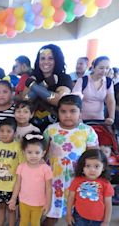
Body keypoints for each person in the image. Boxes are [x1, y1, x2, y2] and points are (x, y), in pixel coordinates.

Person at [43, 95, 99, 225]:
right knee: (52, 213)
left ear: (80, 112)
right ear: (58, 112)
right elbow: (42, 153)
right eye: (63, 111)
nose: (68, 115)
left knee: (76, 215)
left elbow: (94, 157)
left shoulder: (87, 131)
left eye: (73, 111)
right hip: (54, 179)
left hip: (77, 179)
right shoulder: (51, 130)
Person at [7, 132, 53, 226]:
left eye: (37, 152)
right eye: (29, 152)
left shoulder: (46, 169)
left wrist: (48, 203)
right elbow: (18, 184)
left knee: (35, 223)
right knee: (23, 221)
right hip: (23, 201)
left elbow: (49, 188)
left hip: (39, 203)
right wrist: (13, 198)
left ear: (43, 153)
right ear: (24, 152)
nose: (33, 156)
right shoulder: (21, 167)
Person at [24, 44, 72, 131]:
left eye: (50, 58)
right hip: (32, 128)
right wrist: (45, 84)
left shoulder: (64, 78)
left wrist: (33, 86)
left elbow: (59, 100)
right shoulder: (33, 77)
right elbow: (25, 99)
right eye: (42, 58)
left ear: (57, 60)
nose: (46, 62)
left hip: (57, 128)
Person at [0, 118, 23, 226]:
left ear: (15, 133)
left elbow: (21, 168)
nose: (4, 134)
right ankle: (0, 223)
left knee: (11, 209)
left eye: (8, 131)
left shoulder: (18, 147)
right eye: (2, 131)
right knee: (0, 206)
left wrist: (20, 184)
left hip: (12, 186)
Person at [66, 149, 114, 226]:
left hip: (99, 220)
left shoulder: (106, 184)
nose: (92, 170)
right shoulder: (76, 181)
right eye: (88, 166)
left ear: (103, 167)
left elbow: (108, 204)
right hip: (79, 217)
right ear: (82, 167)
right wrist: (68, 214)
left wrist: (106, 221)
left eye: (96, 166)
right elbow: (71, 198)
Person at [73, 56, 115, 125]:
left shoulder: (108, 82)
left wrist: (111, 117)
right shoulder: (83, 80)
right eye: (101, 68)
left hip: (100, 120)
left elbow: (110, 101)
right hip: (81, 119)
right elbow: (75, 100)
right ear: (93, 67)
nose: (104, 71)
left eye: (107, 68)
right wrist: (76, 117)